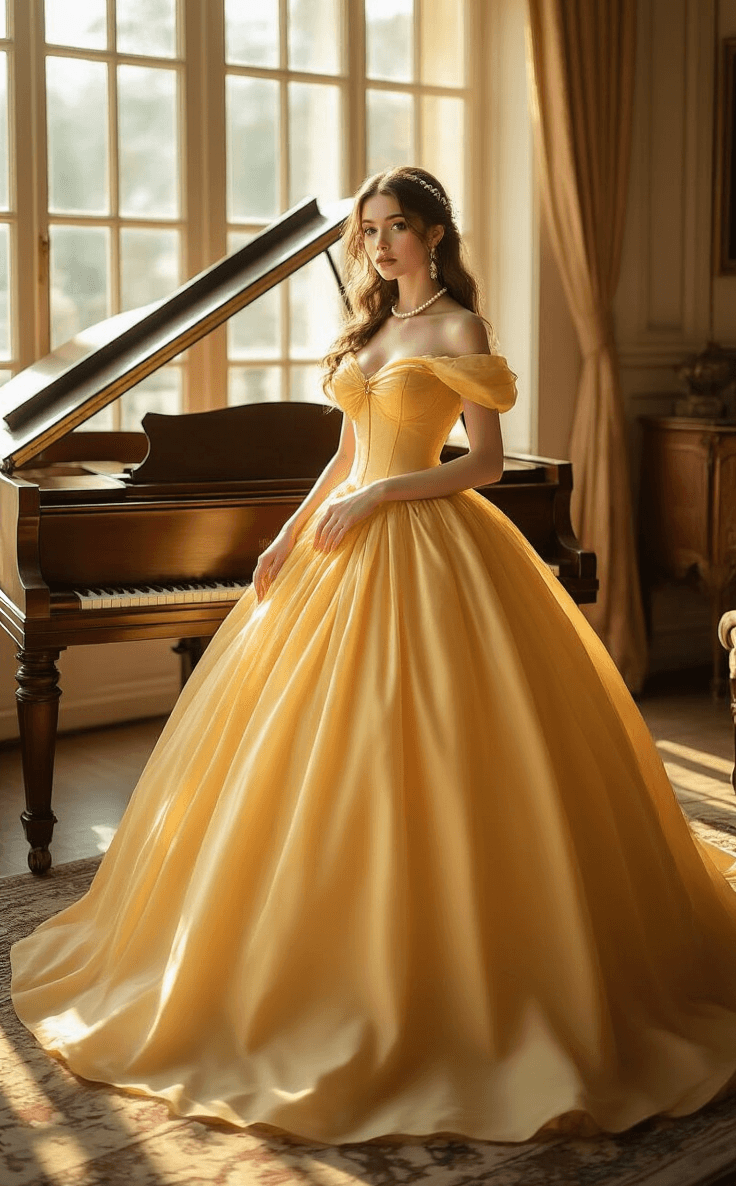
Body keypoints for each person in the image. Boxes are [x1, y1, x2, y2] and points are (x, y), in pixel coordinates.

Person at [10, 166, 736, 1146]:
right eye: (370, 229)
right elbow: (346, 454)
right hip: (335, 547)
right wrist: (288, 529)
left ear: (435, 233)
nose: (380, 242)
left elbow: (476, 464)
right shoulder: (372, 331)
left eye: (397, 226)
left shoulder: (457, 329)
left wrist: (379, 500)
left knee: (443, 747)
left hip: (432, 543)